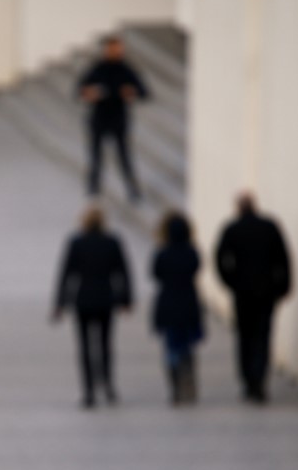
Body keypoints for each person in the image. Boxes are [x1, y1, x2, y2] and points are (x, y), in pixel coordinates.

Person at [53, 206, 133, 408]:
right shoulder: (112, 242)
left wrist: (59, 304)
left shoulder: (76, 243)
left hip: (83, 300)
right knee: (106, 345)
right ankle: (108, 386)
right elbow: (123, 272)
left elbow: (66, 274)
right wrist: (126, 300)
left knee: (85, 347)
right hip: (106, 299)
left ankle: (88, 392)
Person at [216, 193, 291, 404]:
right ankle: (259, 380)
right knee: (263, 336)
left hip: (242, 293)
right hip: (266, 292)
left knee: (245, 337)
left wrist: (230, 282)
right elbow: (283, 258)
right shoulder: (269, 227)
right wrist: (283, 286)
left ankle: (249, 381)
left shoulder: (232, 229)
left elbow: (220, 259)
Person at [78, 35, 150, 201]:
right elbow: (80, 90)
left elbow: (144, 92)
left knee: (124, 157)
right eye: (113, 49)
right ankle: (93, 189)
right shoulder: (97, 68)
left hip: (118, 118)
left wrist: (132, 92)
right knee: (96, 156)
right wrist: (90, 93)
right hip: (99, 118)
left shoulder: (126, 69)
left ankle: (132, 190)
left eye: (118, 49)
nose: (116, 52)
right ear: (106, 50)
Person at [152, 212, 204, 405]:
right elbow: (197, 268)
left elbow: (155, 273)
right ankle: (188, 381)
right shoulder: (191, 252)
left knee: (171, 348)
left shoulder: (162, 253)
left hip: (168, 304)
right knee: (187, 347)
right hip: (188, 302)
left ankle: (175, 387)